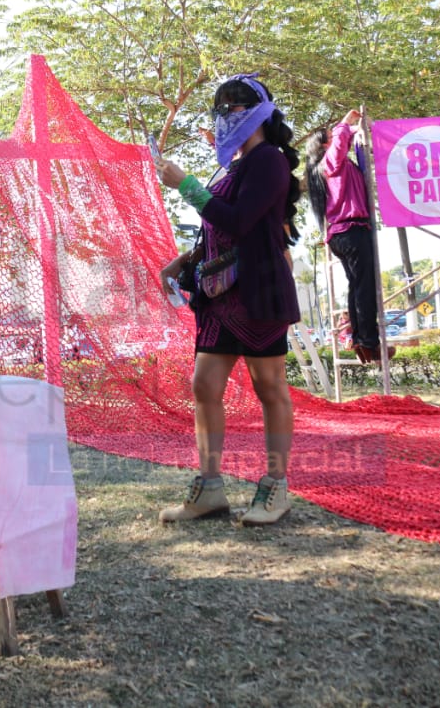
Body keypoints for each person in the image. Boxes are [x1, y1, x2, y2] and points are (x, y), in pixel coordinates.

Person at [155, 73, 302, 526]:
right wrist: (185, 259)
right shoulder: (237, 167)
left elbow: (239, 221)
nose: (225, 116)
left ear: (257, 113)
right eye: (221, 109)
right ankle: (209, 490)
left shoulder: (270, 161)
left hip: (258, 292)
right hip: (219, 298)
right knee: (204, 387)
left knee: (270, 388)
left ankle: (276, 488)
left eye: (235, 108)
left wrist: (186, 185)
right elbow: (221, 229)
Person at [304, 110, 394, 364]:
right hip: (350, 231)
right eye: (331, 137)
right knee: (364, 287)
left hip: (343, 234)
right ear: (324, 145)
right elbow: (341, 142)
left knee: (357, 286)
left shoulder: (332, 166)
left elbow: (352, 138)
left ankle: (360, 340)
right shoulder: (329, 164)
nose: (338, 138)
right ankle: (369, 342)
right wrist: (344, 123)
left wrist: (361, 126)